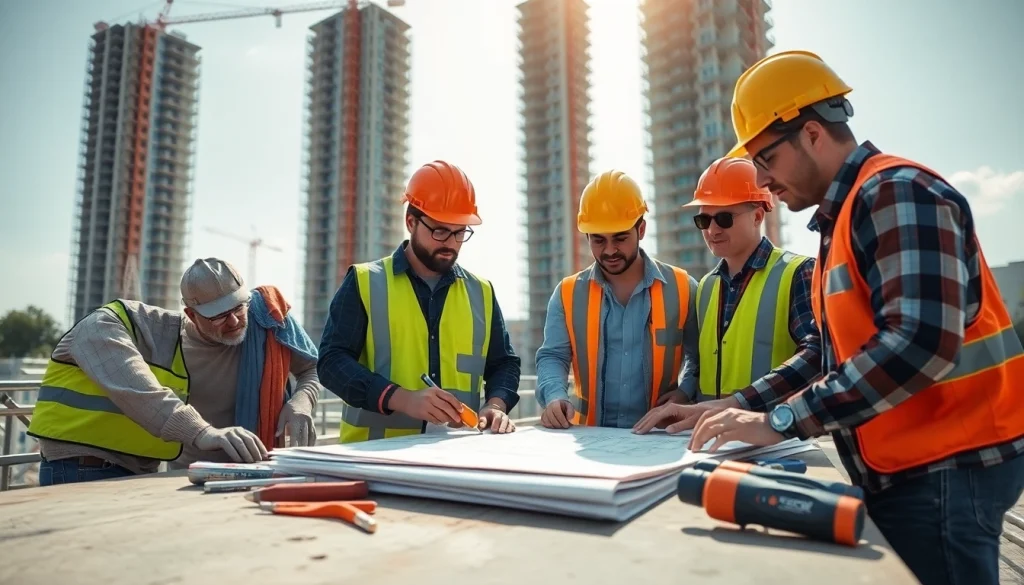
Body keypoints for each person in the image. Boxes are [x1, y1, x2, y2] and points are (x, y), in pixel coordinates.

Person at [642, 50, 1024, 585]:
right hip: (910, 466)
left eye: (766, 159)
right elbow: (827, 353)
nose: (762, 180)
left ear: (813, 134)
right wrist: (732, 406)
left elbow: (920, 341)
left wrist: (779, 422)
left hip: (950, 467)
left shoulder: (895, 193)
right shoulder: (844, 221)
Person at [27, 257, 322, 485]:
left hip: (240, 470)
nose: (233, 321)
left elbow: (311, 368)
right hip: (88, 469)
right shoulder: (118, 331)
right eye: (218, 316)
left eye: (238, 308)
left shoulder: (265, 324)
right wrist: (205, 433)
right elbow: (146, 394)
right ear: (191, 315)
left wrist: (300, 402)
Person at [317, 160, 521, 443]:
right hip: (375, 458)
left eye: (460, 232)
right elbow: (331, 363)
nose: (450, 243)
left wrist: (495, 406)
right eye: (439, 230)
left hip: (458, 455)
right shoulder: (365, 281)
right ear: (411, 221)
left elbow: (504, 363)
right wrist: (401, 399)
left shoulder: (482, 291)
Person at [633, 157, 819, 429]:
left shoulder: (797, 273)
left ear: (757, 216)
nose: (712, 230)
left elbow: (817, 358)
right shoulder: (706, 287)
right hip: (711, 438)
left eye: (724, 218)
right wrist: (685, 394)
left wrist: (740, 404)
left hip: (777, 439)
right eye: (703, 219)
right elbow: (700, 361)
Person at [535, 169, 699, 430]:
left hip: (660, 438)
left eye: (620, 238)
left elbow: (699, 357)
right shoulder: (567, 294)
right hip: (591, 437)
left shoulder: (683, 288)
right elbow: (553, 356)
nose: (609, 250)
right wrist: (554, 395)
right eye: (598, 240)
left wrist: (685, 392)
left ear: (641, 229)